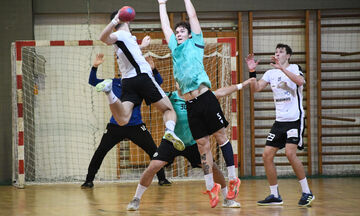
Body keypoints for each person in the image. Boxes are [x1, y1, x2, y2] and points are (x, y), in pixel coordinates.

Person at [157, 0, 241, 207]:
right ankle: (211, 186)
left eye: (182, 30)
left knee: (220, 137)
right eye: (177, 31)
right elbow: (165, 27)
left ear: (189, 34)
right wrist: (161, 4)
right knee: (202, 145)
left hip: (205, 98)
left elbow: (193, 17)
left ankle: (232, 178)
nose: (178, 33)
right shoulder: (174, 48)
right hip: (190, 104)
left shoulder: (196, 42)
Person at [127, 79, 253, 211]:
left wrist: (241, 85)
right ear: (175, 84)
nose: (180, 83)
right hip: (172, 141)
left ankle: (227, 198)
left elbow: (220, 92)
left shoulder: (198, 99)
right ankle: (136, 198)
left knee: (213, 168)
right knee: (153, 166)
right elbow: (154, 94)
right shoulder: (170, 97)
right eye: (177, 81)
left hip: (193, 142)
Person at [97, 10, 185, 152]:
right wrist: (115, 20)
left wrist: (142, 46)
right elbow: (102, 38)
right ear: (126, 21)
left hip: (128, 82)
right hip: (142, 78)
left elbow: (130, 51)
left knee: (123, 119)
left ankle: (109, 92)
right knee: (168, 109)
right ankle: (170, 131)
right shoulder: (120, 34)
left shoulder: (126, 39)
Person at [81, 54, 171, 189]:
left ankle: (162, 179)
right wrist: (95, 66)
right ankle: (89, 180)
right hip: (115, 126)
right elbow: (92, 81)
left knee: (153, 150)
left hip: (136, 126)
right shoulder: (113, 82)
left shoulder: (140, 84)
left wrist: (153, 69)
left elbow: (158, 82)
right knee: (100, 151)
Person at [245, 43, 315, 207]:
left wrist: (282, 69)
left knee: (290, 154)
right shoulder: (270, 73)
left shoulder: (295, 68)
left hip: (294, 119)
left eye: (281, 52)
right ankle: (275, 195)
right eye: (276, 52)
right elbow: (256, 89)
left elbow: (300, 82)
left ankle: (307, 192)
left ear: (288, 55)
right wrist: (252, 71)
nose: (277, 54)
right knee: (266, 155)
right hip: (279, 121)